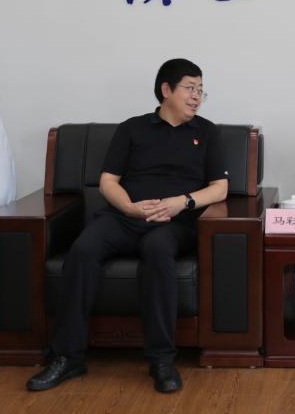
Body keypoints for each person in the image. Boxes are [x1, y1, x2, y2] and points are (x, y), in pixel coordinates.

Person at [27, 58, 229, 394]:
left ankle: (161, 360)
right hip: (126, 216)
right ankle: (67, 357)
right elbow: (108, 181)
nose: (197, 96)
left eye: (201, 90)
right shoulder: (132, 129)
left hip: (174, 222)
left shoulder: (207, 132)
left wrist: (181, 202)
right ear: (166, 90)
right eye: (190, 88)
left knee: (158, 250)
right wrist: (129, 207)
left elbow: (220, 188)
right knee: (84, 249)